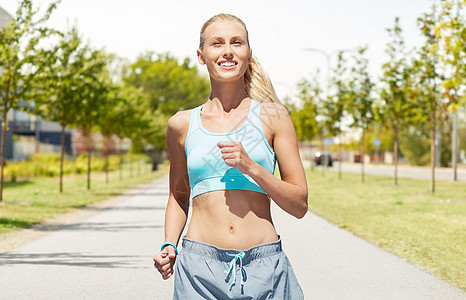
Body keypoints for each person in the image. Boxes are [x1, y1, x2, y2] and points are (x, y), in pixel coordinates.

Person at [153, 13, 308, 299]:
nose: (227, 51)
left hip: (266, 268)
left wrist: (253, 169)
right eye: (217, 43)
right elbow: (178, 196)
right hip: (199, 272)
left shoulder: (274, 117)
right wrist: (169, 244)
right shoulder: (181, 124)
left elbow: (299, 205)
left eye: (237, 43)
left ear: (249, 54)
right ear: (201, 55)